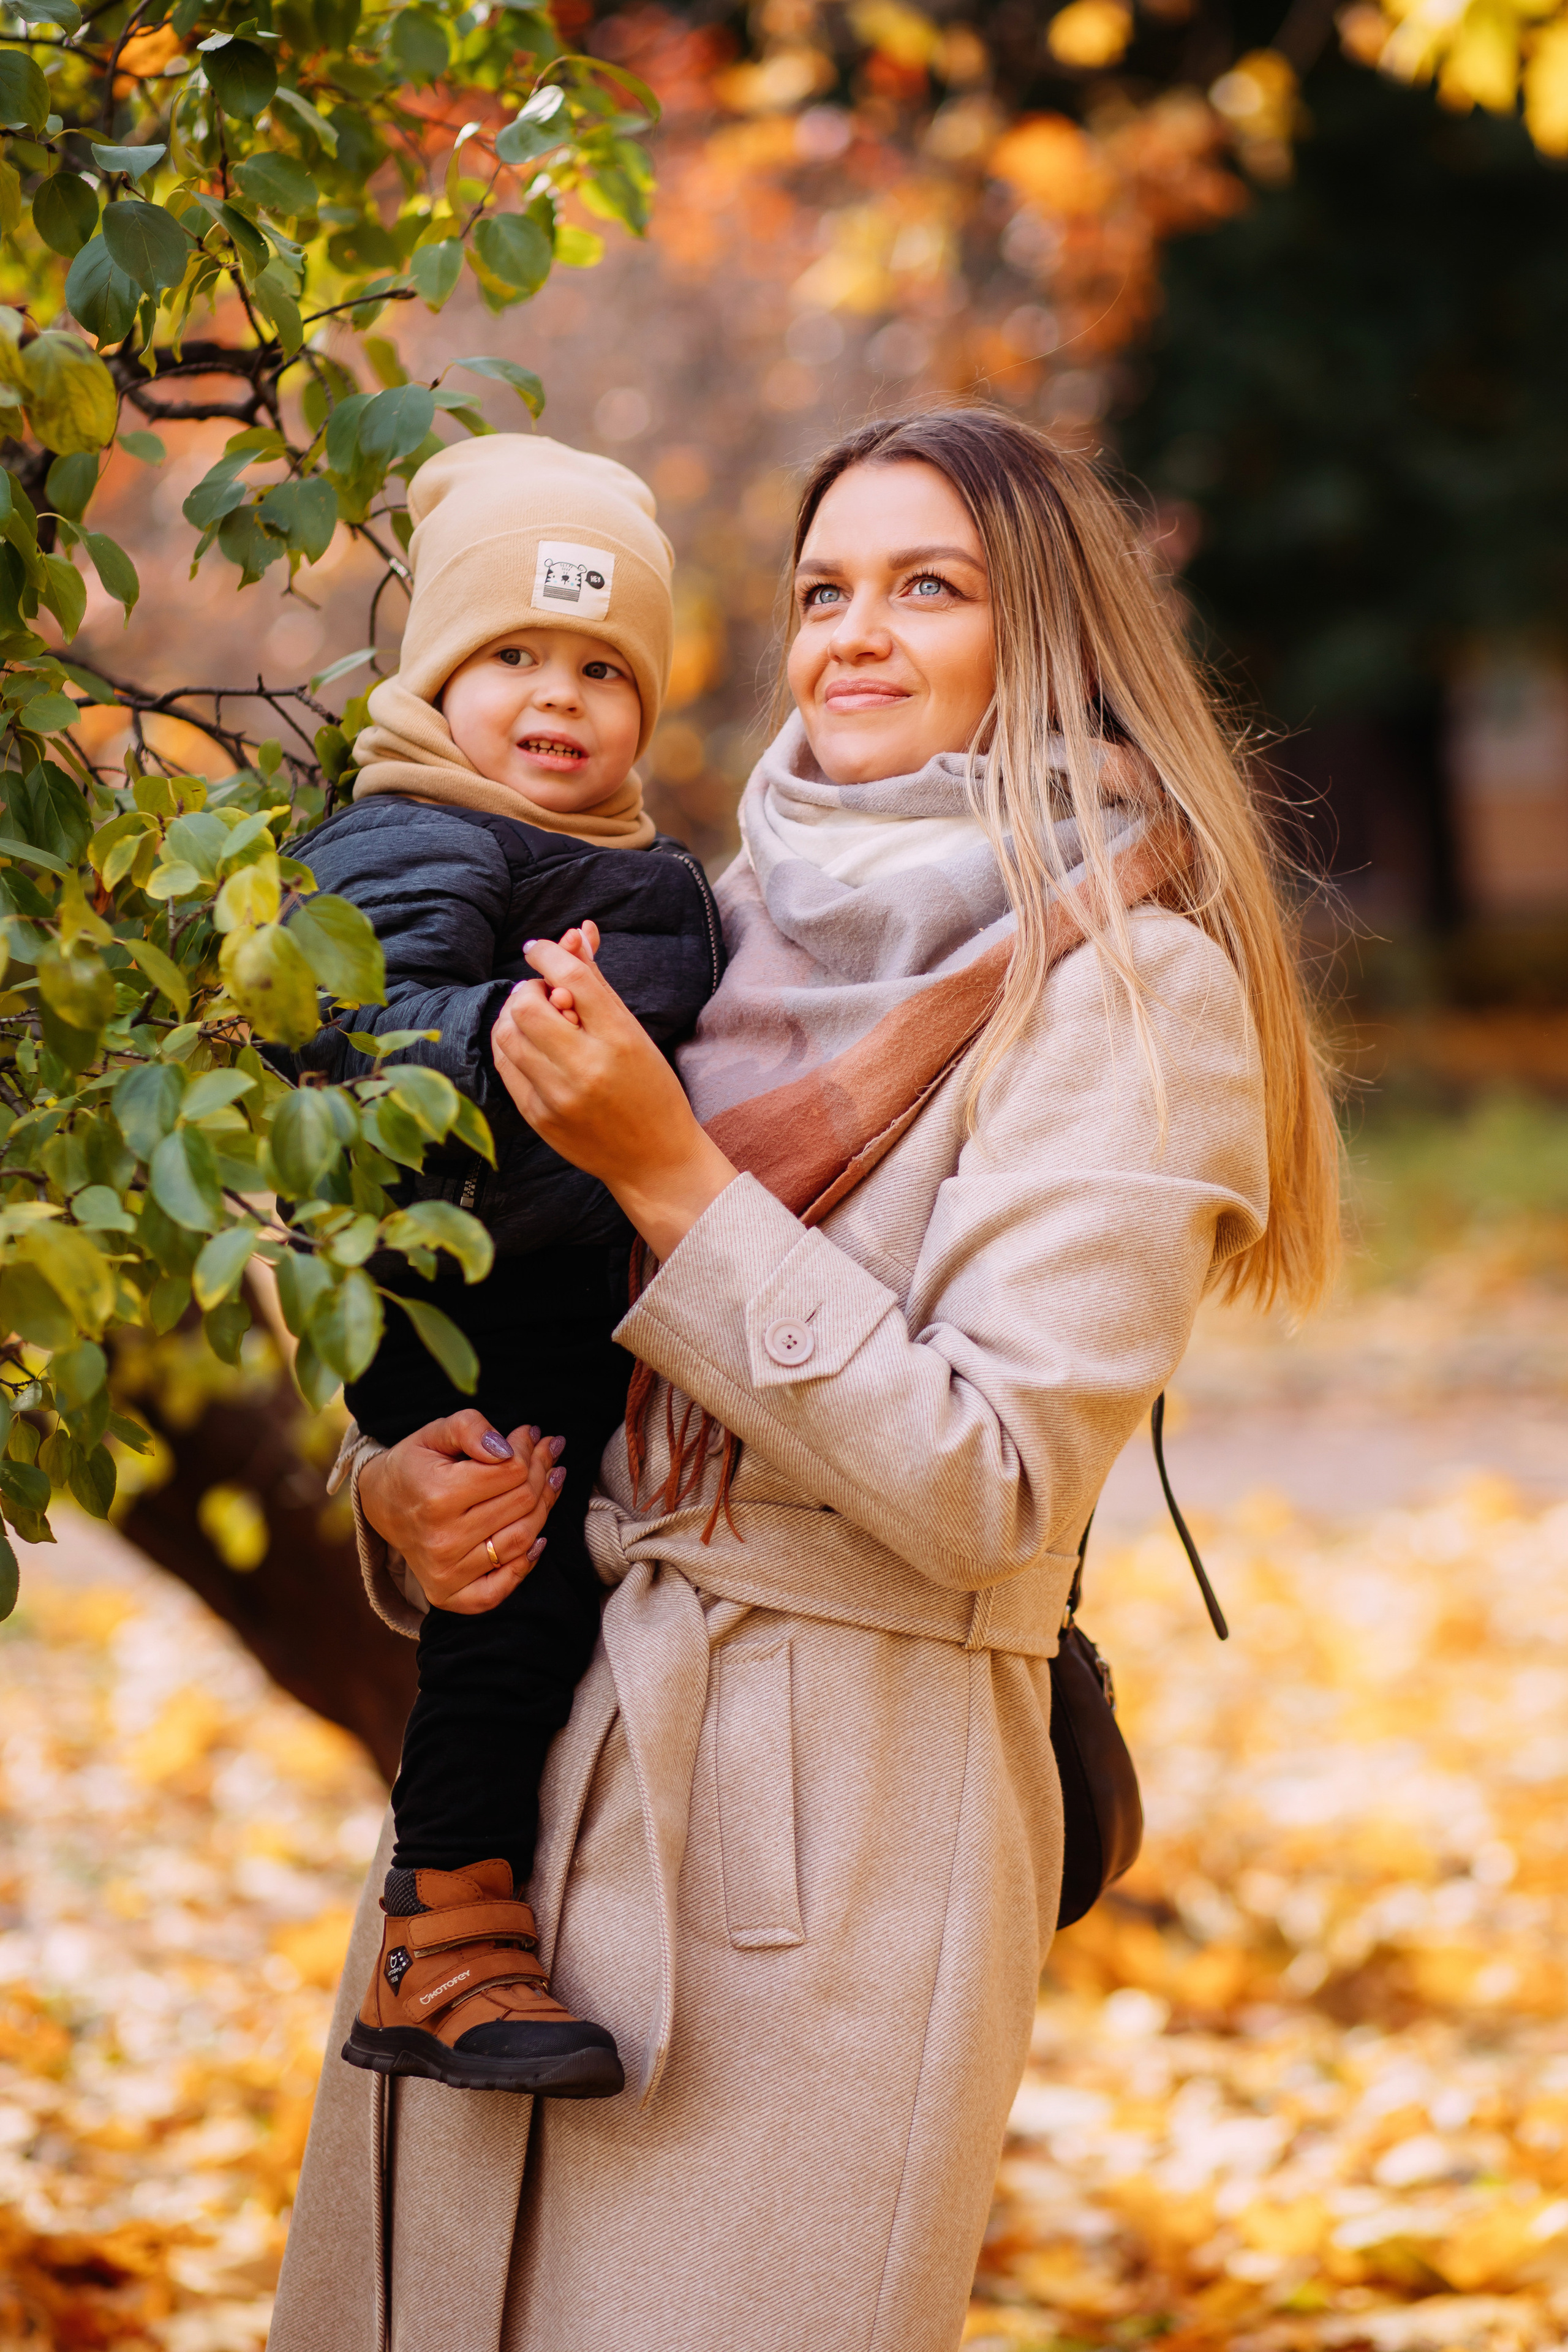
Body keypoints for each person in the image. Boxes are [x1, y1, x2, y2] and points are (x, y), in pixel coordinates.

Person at [271, 407, 1340, 2352]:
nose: (852, 633)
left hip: (835, 1830)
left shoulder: (1138, 986)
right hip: (528, 1813)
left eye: (927, 588)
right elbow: (479, 1268)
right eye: (822, 590)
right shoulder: (713, 916)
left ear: (1055, 641)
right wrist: (401, 1483)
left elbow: (996, 1482)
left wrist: (669, 1176)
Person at [284, 433, 723, 2097]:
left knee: (536, 1604)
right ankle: (443, 1929)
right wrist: (507, 1032)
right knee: (508, 1604)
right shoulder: (414, 838)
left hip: (566, 1284)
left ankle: (466, 1920)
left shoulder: (623, 856)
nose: (561, 698)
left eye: (604, 665)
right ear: (435, 677)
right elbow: (346, 1061)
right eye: (514, 658)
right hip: (461, 1307)